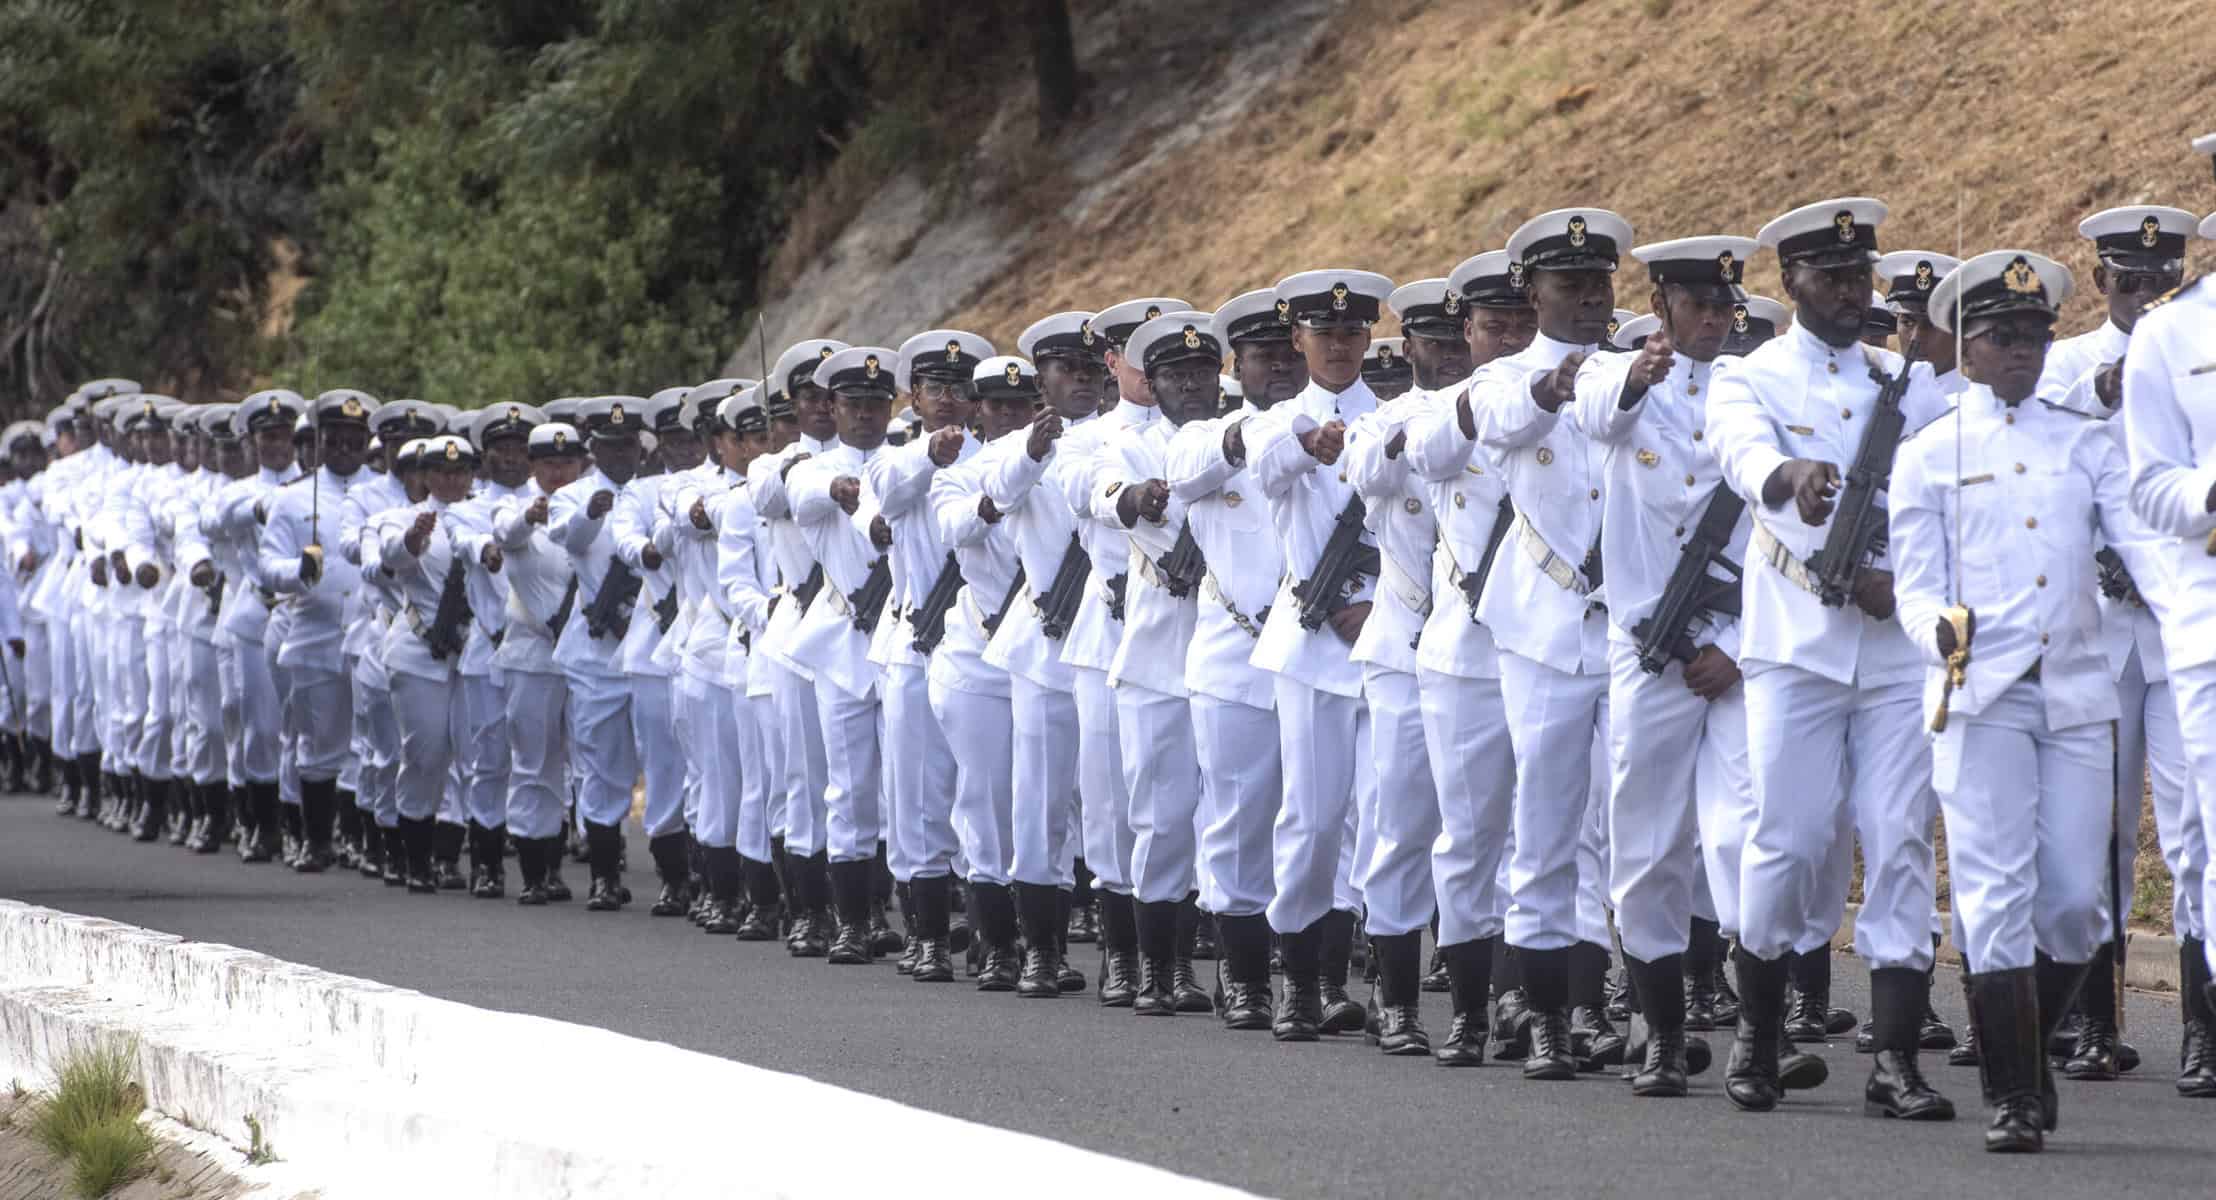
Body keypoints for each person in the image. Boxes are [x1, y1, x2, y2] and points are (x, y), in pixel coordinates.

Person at [1892, 249, 2150, 1152]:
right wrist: (1935, 632)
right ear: (1964, 345)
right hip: (1981, 695)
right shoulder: (1930, 453)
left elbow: (2137, 541)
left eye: (2035, 336)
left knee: (2077, 902)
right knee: (1997, 889)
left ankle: (2027, 1052)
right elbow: (1915, 588)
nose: (2021, 351)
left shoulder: (2083, 441)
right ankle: (2013, 1093)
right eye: (2002, 336)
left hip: (2075, 691)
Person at [1705, 197, 1951, 1112]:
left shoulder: (1907, 381)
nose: (1852, 291)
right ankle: (1758, 1036)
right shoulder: (1751, 377)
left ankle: (1896, 1061)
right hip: (1796, 646)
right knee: (1792, 838)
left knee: (1899, 837)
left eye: (1860, 275)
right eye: (1832, 276)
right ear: (1791, 280)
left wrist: (1904, 578)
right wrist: (1790, 474)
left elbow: (1948, 483)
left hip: (1892, 653)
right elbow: (1741, 455)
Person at [1573, 233, 1762, 1096]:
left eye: (1726, 306)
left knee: (1747, 830)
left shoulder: (1753, 388)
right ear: (1660, 308)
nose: (1716, 321)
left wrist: (1741, 647)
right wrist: (1637, 377)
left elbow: (1779, 528)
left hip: (1738, 649)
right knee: (1646, 843)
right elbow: (1596, 414)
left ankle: (1757, 1034)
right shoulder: (1617, 380)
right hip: (1650, 651)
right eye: (1698, 306)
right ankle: (1661, 1031)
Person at [1237, 268, 1393, 1042]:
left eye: (1352, 332)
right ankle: (1299, 983)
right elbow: (1268, 466)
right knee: (1312, 819)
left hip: (1383, 640)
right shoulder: (1274, 422)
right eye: (1324, 334)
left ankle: (1375, 985)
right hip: (1310, 646)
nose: (1339, 346)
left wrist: (1380, 604)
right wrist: (1310, 444)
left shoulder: (1395, 417)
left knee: (1386, 817)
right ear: (1297, 339)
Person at [1089, 310, 1225, 1017]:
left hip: (1230, 653)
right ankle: (1157, 968)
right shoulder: (1128, 446)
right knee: (1161, 817)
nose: (1191, 384)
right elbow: (1100, 493)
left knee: (1229, 816)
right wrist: (1133, 499)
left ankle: (1225, 967)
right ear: (1154, 383)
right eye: (1175, 374)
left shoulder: (1240, 439)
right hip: (1157, 655)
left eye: (1202, 371)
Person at [2120, 236, 2216, 1099]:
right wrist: (2209, 492)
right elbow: (2149, 484)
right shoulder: (2172, 331)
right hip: (2209, 620)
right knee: (2206, 841)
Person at [874, 330, 994, 978]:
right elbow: (890, 495)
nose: (948, 399)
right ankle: (925, 934)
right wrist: (928, 454)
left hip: (976, 643)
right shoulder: (895, 461)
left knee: (981, 790)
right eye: (935, 388)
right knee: (917, 794)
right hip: (916, 640)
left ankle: (986, 932)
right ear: (914, 397)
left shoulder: (995, 459)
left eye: (959, 388)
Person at [785, 347, 903, 964]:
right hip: (844, 643)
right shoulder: (812, 468)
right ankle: (852, 921)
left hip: (903, 637)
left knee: (907, 787)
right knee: (850, 789)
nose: (864, 415)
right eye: (853, 404)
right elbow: (804, 495)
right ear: (831, 407)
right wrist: (839, 488)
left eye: (875, 404)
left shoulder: (907, 460)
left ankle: (916, 921)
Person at [930, 356, 1038, 990]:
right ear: (978, 410)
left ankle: (1046, 942)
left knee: (1047, 799)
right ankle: (995, 942)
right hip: (980, 649)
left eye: (1021, 405)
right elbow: (956, 526)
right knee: (987, 799)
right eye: (998, 406)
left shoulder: (1061, 464)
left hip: (1046, 647)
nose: (1010, 416)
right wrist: (1002, 492)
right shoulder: (959, 473)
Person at [258, 389, 379, 875]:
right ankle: (316, 840)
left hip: (370, 633)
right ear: (319, 441)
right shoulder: (293, 498)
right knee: (318, 742)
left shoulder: (384, 494)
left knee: (370, 743)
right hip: (316, 631)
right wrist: (298, 571)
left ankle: (363, 840)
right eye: (336, 439)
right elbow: (268, 566)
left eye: (355, 439)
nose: (345, 448)